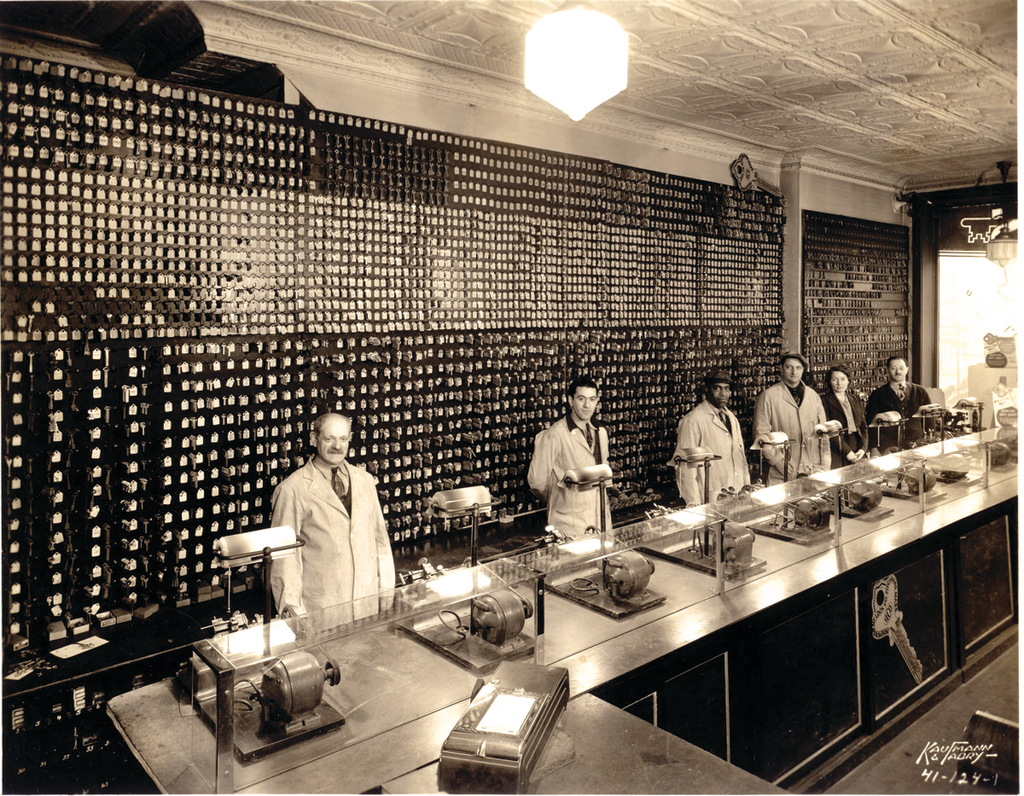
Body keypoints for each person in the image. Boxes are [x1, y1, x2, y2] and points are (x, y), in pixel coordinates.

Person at [270, 412, 396, 621]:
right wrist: (293, 614)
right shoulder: (292, 489)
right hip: (321, 609)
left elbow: (380, 540)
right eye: (329, 439)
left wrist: (386, 589)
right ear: (314, 439)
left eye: (343, 439)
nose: (337, 446)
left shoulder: (364, 480)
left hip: (367, 601)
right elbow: (284, 560)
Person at [527, 374, 613, 538]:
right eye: (581, 399)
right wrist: (561, 500)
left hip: (601, 518)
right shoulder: (553, 435)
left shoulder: (600, 432)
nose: (587, 405)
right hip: (568, 522)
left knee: (601, 562)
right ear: (570, 400)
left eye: (592, 399)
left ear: (597, 402)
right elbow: (537, 481)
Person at [670, 369, 750, 506]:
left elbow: (740, 458)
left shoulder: (731, 418)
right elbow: (685, 469)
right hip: (708, 498)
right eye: (717, 389)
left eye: (726, 389)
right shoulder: (693, 421)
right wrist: (694, 504)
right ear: (707, 390)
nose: (723, 394)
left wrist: (746, 487)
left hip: (736, 495)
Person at [752, 352, 827, 483]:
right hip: (784, 470)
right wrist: (778, 461)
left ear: (803, 370)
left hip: (812, 468)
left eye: (798, 368)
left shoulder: (813, 396)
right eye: (789, 367)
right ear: (781, 368)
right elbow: (761, 435)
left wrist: (824, 464)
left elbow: (824, 433)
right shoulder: (768, 396)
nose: (794, 372)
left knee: (811, 502)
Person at [866, 356, 931, 454]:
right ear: (887, 370)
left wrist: (930, 441)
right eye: (893, 368)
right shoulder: (878, 394)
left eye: (901, 368)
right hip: (888, 447)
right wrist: (873, 448)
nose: (898, 372)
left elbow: (930, 419)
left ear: (907, 369)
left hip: (917, 445)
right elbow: (871, 423)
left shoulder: (920, 391)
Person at [822, 365, 869, 468]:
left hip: (856, 443)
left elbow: (863, 426)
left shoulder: (854, 399)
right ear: (829, 382)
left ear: (848, 381)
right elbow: (829, 430)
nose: (839, 383)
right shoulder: (823, 400)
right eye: (835, 379)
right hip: (836, 447)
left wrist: (863, 448)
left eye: (843, 379)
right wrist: (847, 452)